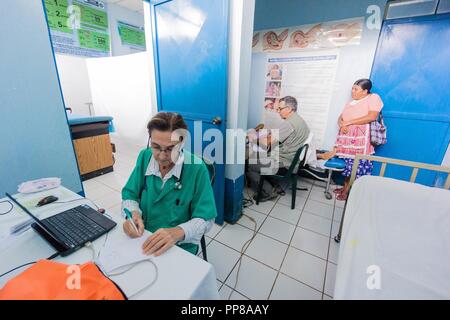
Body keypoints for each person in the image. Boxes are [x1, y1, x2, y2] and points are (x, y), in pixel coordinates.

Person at [121, 112, 217, 256]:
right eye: (155, 146)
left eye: (171, 149)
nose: (162, 156)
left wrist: (178, 232)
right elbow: (130, 194)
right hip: (143, 235)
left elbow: (206, 219)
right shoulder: (145, 156)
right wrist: (133, 214)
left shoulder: (197, 169)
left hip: (179, 245)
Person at [319, 79, 384, 200]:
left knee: (356, 166)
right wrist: (342, 124)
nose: (352, 91)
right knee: (348, 166)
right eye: (352, 88)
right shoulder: (352, 102)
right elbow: (341, 117)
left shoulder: (373, 98)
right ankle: (345, 187)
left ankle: (349, 192)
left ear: (365, 91)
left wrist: (349, 122)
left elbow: (372, 116)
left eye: (356, 89)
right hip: (346, 140)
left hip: (359, 140)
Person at [246, 96, 310, 201]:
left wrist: (252, 137)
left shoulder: (289, 124)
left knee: (250, 165)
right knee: (264, 154)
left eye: (280, 109)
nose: (278, 112)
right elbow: (283, 136)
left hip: (285, 163)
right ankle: (275, 185)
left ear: (289, 109)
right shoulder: (298, 120)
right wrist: (269, 134)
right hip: (292, 159)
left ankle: (269, 191)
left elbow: (266, 143)